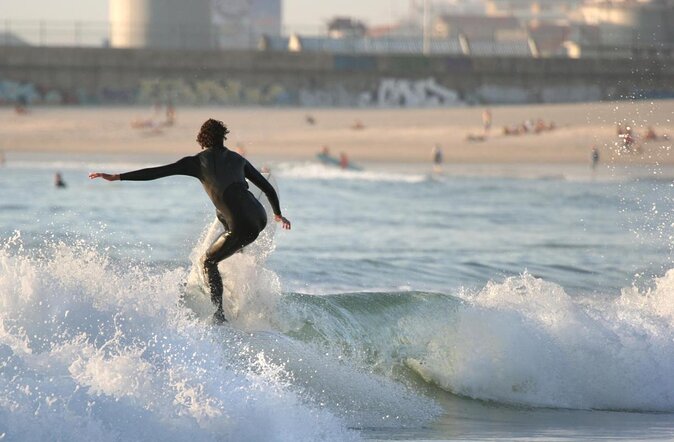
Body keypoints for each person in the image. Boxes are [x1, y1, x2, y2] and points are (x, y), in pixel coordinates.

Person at [89, 119, 291, 323]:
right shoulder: (238, 159)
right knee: (221, 215)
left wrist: (117, 177)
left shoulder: (196, 162)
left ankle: (219, 314)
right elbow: (267, 187)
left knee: (208, 261)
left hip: (241, 226)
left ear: (201, 140)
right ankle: (237, 247)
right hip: (260, 217)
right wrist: (277, 214)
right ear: (223, 138)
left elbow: (157, 172)